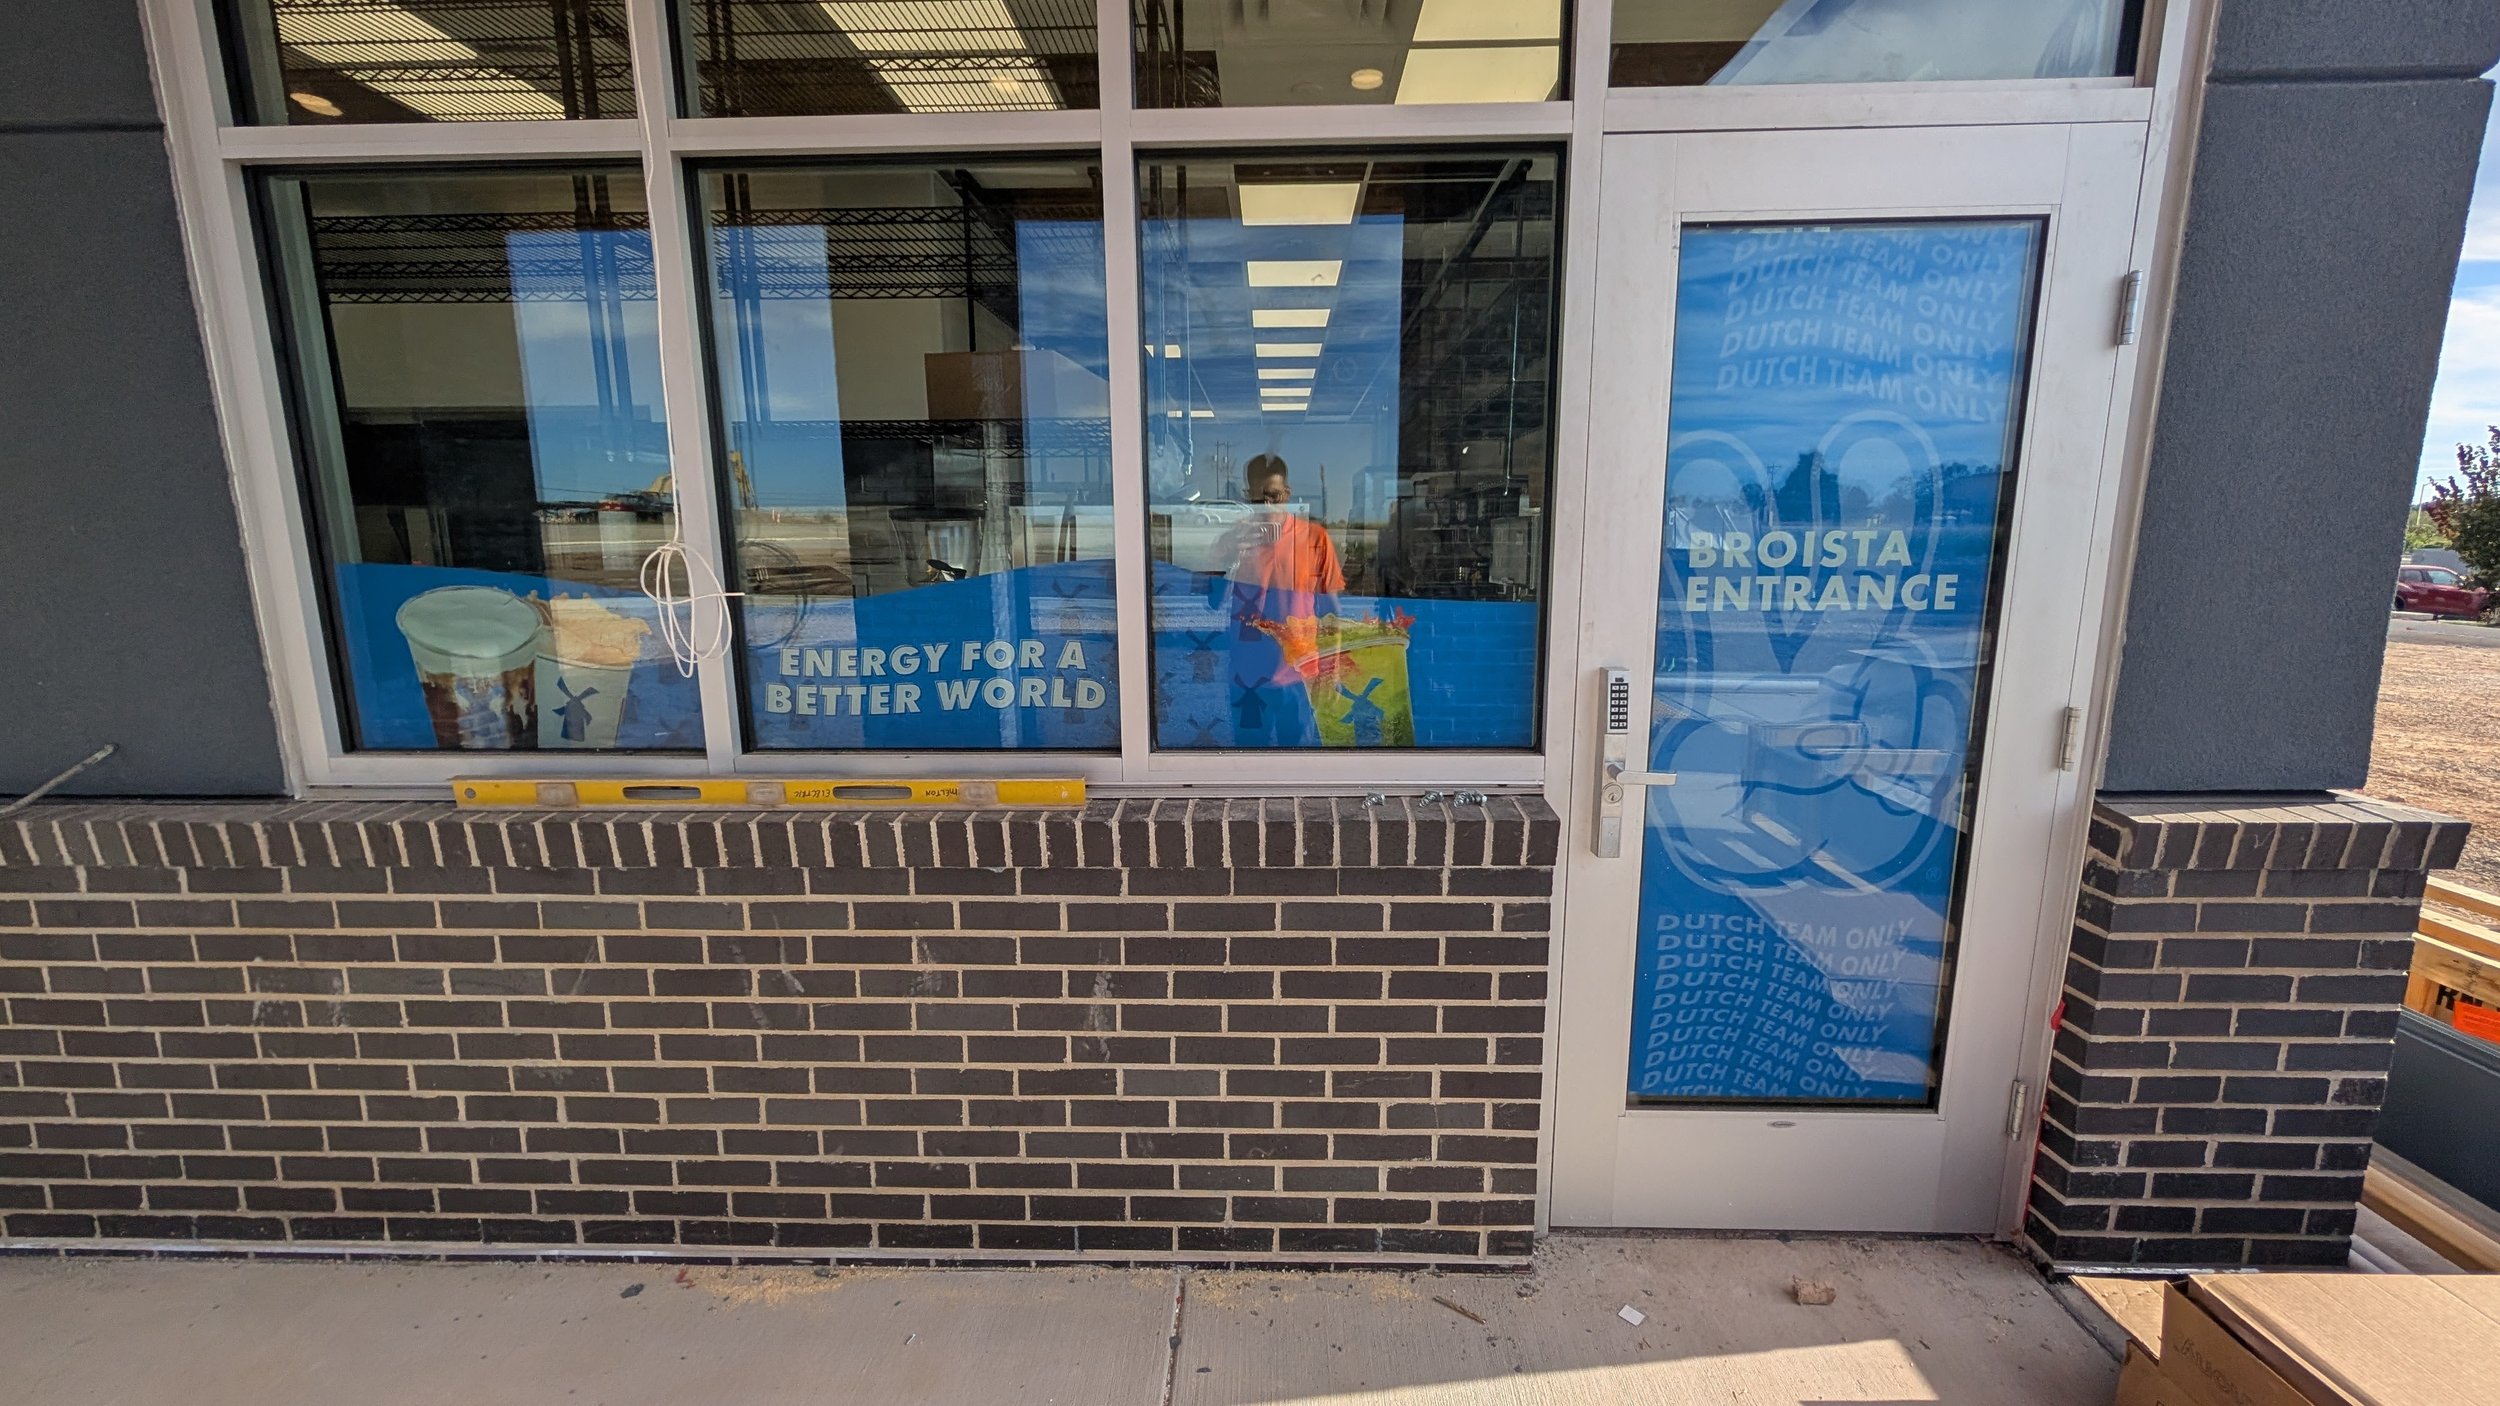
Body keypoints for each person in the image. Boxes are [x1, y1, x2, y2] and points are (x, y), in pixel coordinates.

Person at [1210, 455, 1343, 745]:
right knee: (1247, 766)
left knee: (1295, 768)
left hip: (1299, 674)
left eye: (1275, 496)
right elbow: (1213, 600)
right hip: (1247, 677)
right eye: (1260, 498)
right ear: (1249, 496)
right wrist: (1231, 558)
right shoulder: (1233, 539)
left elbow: (1331, 610)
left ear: (1288, 494)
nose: (1268, 505)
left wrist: (1331, 669)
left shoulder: (1313, 538)